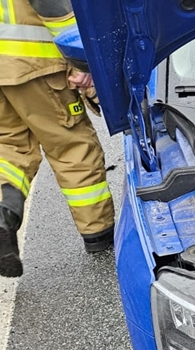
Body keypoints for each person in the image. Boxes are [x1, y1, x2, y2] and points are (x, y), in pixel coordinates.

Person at [0, 0, 115, 278]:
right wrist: (80, 58)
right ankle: (98, 234)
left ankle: (3, 214)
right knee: (72, 147)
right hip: (35, 63)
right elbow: (51, 5)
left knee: (10, 148)